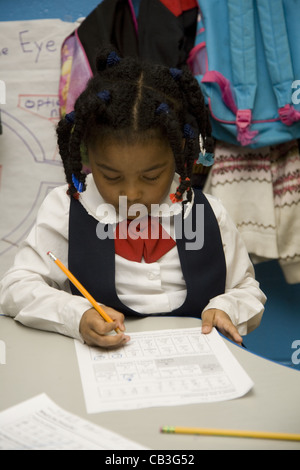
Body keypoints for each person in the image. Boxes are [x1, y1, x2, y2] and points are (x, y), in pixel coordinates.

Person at [0, 47, 266, 349]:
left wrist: (228, 308)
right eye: (111, 176)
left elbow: (246, 288)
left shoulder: (208, 213)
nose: (131, 194)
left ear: (179, 153)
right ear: (88, 154)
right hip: (96, 367)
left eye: (151, 176)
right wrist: (76, 315)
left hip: (199, 361)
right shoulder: (67, 208)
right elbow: (16, 287)